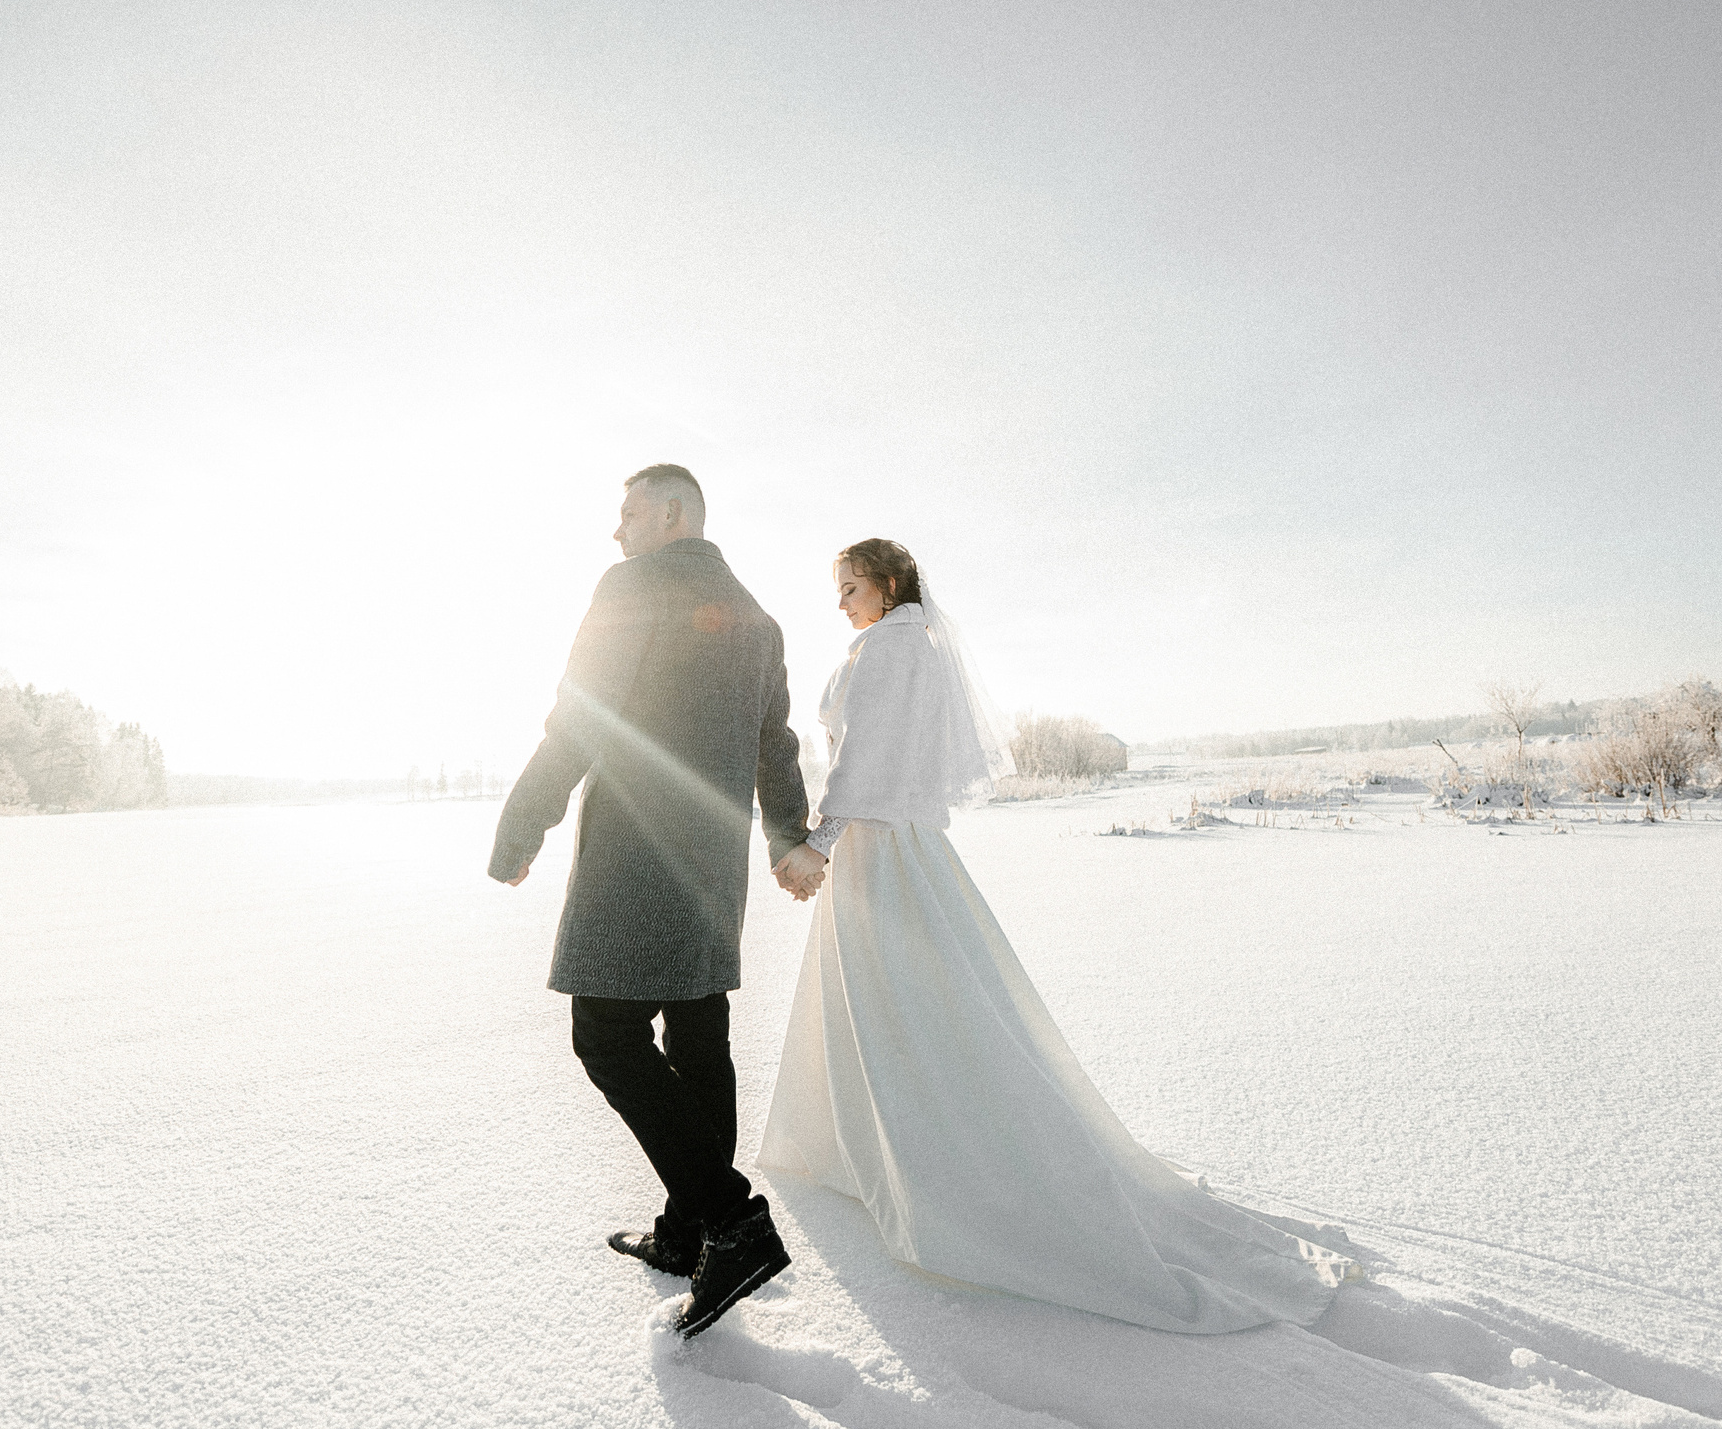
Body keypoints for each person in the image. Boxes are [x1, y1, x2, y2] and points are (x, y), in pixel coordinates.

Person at [757, 538, 1361, 1333]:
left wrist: (819, 842)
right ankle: (871, 1150)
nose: (839, 602)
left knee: (901, 1011)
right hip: (897, 843)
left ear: (890, 583)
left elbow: (868, 759)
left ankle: (928, 1169)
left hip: (874, 844)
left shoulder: (888, 651)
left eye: (851, 586)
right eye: (836, 590)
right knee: (901, 1007)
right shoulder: (907, 647)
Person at [488, 465, 831, 1339]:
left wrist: (522, 824)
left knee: (604, 1033)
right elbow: (775, 743)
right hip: (713, 863)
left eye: (630, 512)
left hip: (637, 855)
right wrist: (785, 832)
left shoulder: (632, 586)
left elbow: (581, 718)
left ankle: (731, 1220)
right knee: (697, 1031)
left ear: (673, 513)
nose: (617, 531)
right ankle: (688, 1237)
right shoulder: (758, 618)